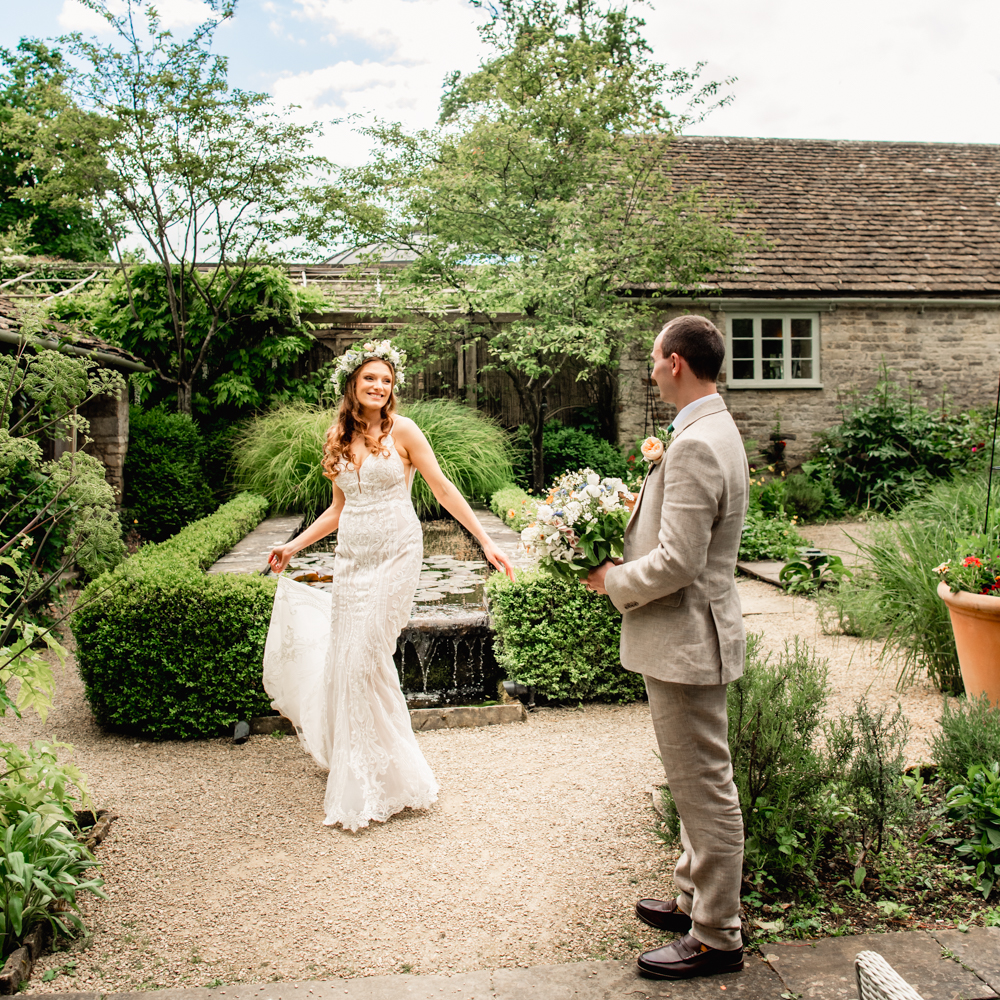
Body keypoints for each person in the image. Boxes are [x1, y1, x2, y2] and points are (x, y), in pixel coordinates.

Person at [263, 340, 515, 832]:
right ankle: (371, 766)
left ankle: (377, 775)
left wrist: (485, 542)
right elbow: (338, 511)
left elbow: (442, 487)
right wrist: (294, 548)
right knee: (352, 660)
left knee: (364, 657)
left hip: (397, 554)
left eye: (386, 380)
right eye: (370, 379)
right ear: (352, 385)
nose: (379, 387)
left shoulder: (404, 430)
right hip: (352, 558)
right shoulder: (336, 437)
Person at [585, 315, 749, 981]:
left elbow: (681, 561)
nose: (651, 369)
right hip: (690, 636)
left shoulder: (695, 445)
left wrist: (613, 580)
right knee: (691, 778)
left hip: (688, 638)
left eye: (655, 360)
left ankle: (717, 933)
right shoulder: (710, 429)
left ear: (677, 363)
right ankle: (690, 898)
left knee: (704, 784)